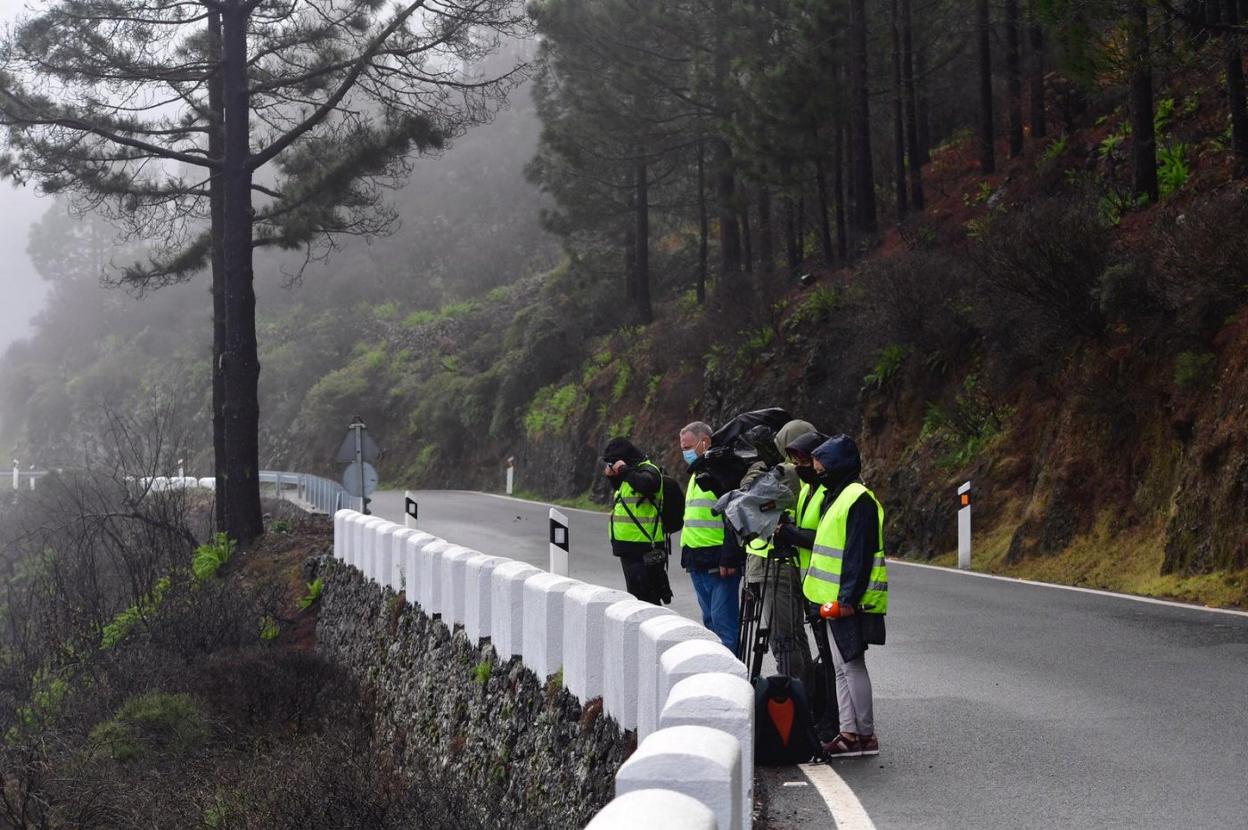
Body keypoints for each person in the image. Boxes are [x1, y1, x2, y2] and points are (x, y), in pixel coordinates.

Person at [802, 434, 888, 758]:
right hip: (827, 596)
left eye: (822, 466)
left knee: (851, 664)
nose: (818, 472)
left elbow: (858, 553)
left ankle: (864, 734)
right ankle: (849, 733)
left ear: (837, 465)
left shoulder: (857, 499)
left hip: (845, 598)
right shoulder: (836, 496)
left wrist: (848, 599)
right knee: (839, 666)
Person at [739, 420, 817, 684]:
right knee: (793, 635)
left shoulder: (789, 473)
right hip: (779, 563)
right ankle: (805, 697)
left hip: (774, 565)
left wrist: (762, 463)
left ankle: (794, 696)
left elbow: (747, 497)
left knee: (784, 638)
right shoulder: (804, 473)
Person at [679, 421, 742, 652]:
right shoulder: (697, 472)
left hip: (718, 559)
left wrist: (730, 554)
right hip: (697, 559)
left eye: (688, 446)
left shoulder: (720, 470)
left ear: (704, 442)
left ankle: (730, 681)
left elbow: (733, 515)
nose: (684, 452)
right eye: (682, 448)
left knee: (724, 625)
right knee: (709, 624)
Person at [603, 437, 671, 605]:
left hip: (645, 546)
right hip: (628, 547)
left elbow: (645, 485)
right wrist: (613, 477)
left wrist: (624, 470)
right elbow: (627, 499)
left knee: (647, 599)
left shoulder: (649, 470)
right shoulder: (630, 473)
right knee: (636, 597)